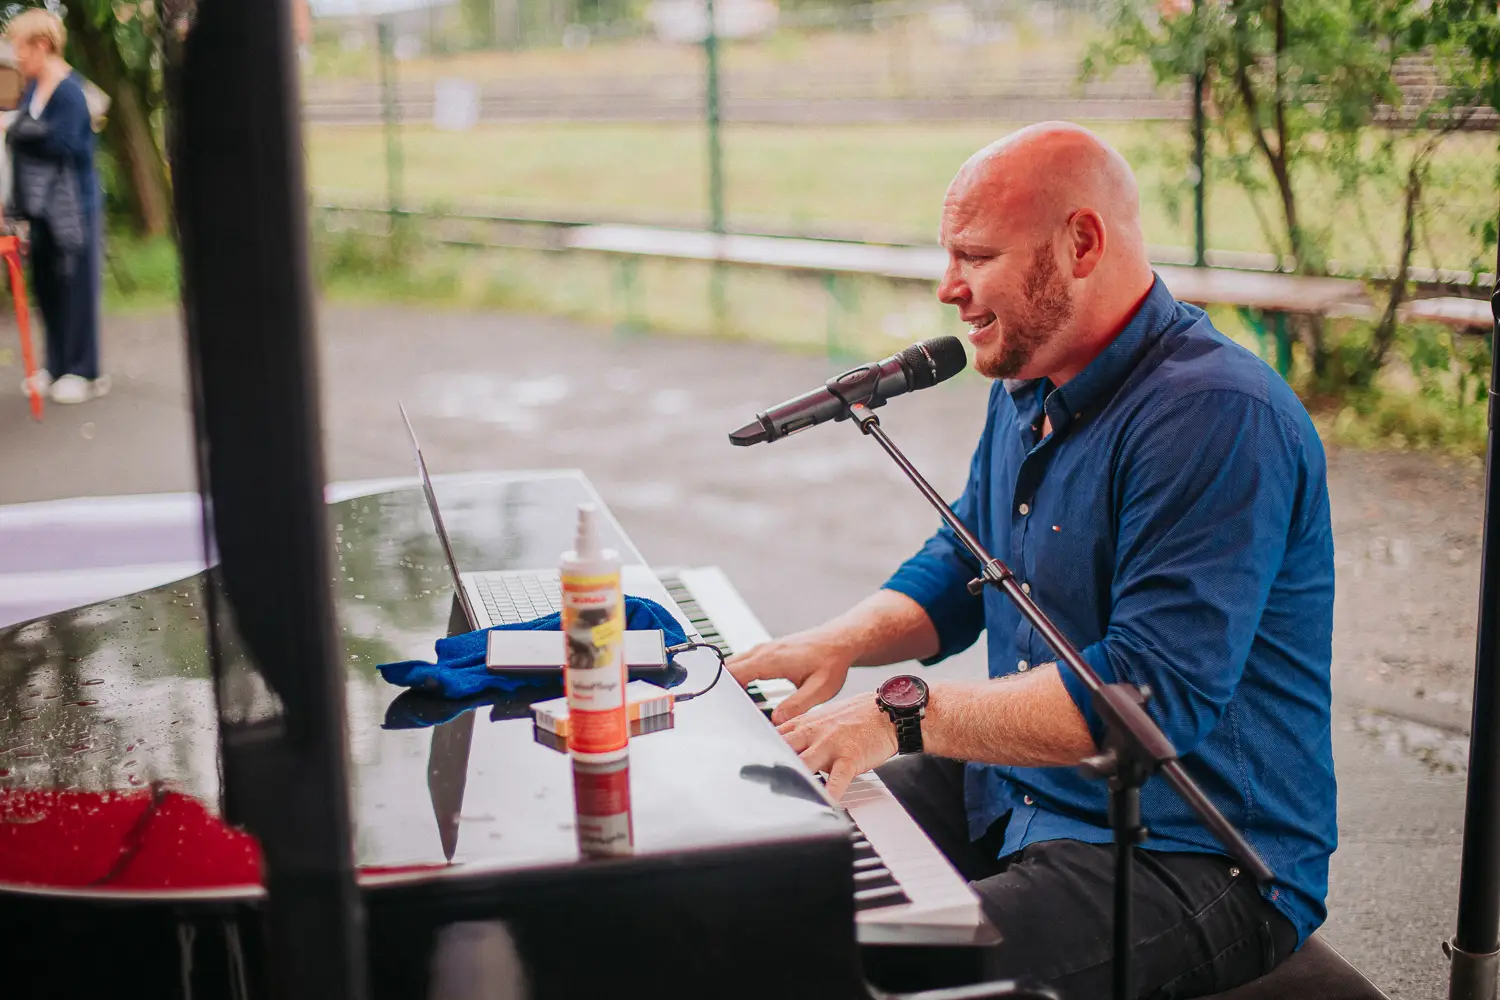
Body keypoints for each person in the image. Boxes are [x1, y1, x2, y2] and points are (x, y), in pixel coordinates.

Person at [728, 122, 1336, 999]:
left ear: (1081, 243)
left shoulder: (1216, 417)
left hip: (1192, 854)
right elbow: (966, 555)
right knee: (773, 873)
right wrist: (842, 642)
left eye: (974, 256)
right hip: (1020, 794)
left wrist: (901, 713)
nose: (948, 290)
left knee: (866, 971)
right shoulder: (1031, 376)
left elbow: (1145, 695)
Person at [6, 9, 106, 405]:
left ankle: (85, 370)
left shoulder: (70, 91)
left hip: (74, 204)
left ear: (42, 45)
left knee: (77, 284)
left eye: (20, 48)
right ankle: (58, 363)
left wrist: (16, 130)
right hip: (40, 205)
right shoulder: (32, 89)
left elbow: (67, 145)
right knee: (47, 285)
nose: (16, 58)